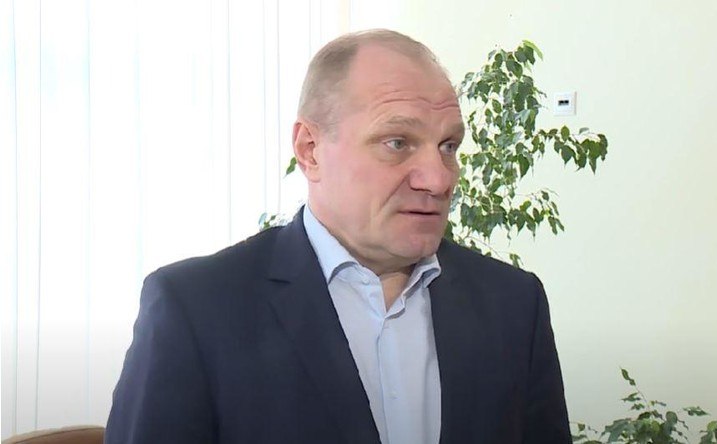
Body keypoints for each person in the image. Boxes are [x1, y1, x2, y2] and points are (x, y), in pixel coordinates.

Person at [105, 29, 571, 444]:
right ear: (310, 150)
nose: (438, 179)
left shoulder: (514, 305)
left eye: (448, 146)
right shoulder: (196, 310)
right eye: (398, 143)